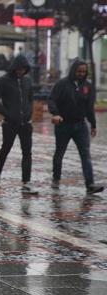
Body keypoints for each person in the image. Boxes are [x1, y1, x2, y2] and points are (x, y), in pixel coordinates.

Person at [47, 58, 104, 194]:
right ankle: (56, 178)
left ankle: (90, 184)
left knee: (85, 154)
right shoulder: (62, 84)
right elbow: (51, 99)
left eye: (84, 71)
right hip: (63, 124)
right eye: (79, 71)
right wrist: (55, 113)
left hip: (80, 125)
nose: (81, 74)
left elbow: (89, 107)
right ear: (74, 70)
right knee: (59, 153)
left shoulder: (88, 86)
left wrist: (93, 124)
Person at [0, 55, 37, 194]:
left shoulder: (27, 81)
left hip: (26, 123)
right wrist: (7, 114)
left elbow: (30, 98)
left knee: (27, 152)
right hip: (10, 123)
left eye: (23, 69)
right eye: (18, 69)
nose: (20, 72)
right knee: (5, 148)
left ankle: (26, 182)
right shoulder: (4, 81)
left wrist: (29, 111)